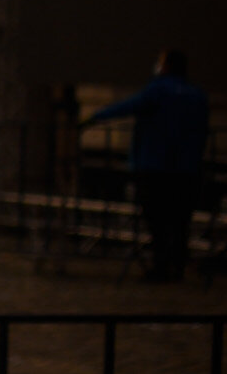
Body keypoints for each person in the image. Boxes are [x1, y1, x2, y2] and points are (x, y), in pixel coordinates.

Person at [84, 48, 209, 281]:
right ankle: (177, 265)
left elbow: (128, 106)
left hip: (155, 166)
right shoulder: (196, 94)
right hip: (187, 168)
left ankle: (161, 266)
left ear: (167, 66)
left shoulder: (158, 90)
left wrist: (94, 117)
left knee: (157, 219)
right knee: (181, 221)